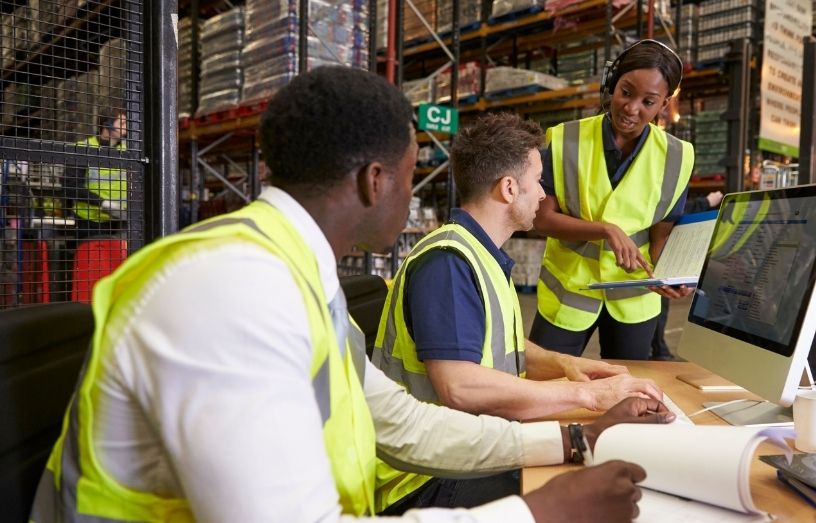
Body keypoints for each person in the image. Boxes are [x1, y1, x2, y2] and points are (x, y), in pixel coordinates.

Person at [31, 66, 674, 523]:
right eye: (409, 171)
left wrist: (573, 442)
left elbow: (401, 423)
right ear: (375, 181)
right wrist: (535, 512)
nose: (416, 191)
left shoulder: (300, 274)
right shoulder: (229, 290)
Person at [371, 113, 666, 513]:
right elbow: (460, 387)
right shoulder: (448, 263)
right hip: (426, 479)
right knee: (612, 485)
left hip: (466, 452)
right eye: (537, 181)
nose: (543, 195)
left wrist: (565, 364)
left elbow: (499, 345)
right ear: (509, 188)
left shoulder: (478, 254)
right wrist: (588, 396)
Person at [531, 40, 696, 360]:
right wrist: (605, 230)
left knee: (628, 395)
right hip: (569, 291)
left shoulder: (678, 157)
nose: (632, 108)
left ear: (663, 105)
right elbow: (541, 219)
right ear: (612, 85)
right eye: (626, 92)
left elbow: (660, 236)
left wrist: (671, 275)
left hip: (634, 298)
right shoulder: (564, 138)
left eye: (648, 101)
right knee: (541, 380)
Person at [650, 190, 724, 360]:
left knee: (660, 305)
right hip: (653, 262)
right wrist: (705, 202)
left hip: (659, 260)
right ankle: (659, 350)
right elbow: (675, 210)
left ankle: (659, 349)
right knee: (659, 304)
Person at [64, 109, 128, 239]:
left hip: (120, 221)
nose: (126, 127)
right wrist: (103, 203)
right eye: (122, 123)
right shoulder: (83, 148)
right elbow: (70, 186)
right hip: (90, 222)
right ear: (107, 125)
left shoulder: (128, 151)